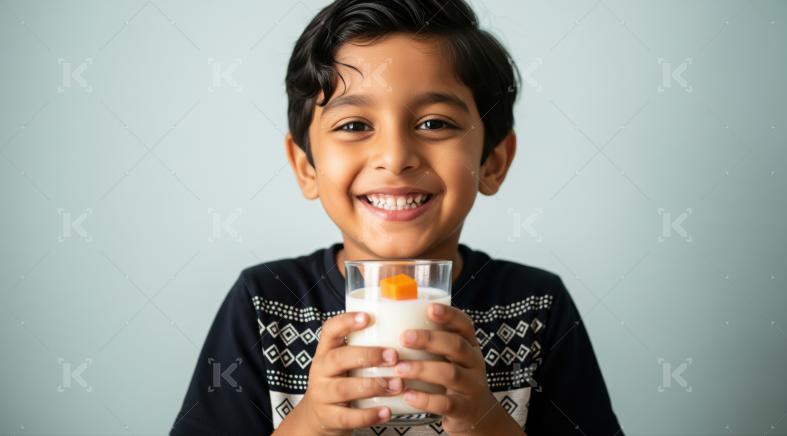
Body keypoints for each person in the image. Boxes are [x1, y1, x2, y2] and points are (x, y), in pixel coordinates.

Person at [171, 1, 623, 434]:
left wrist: (481, 420)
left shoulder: (535, 306)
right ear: (306, 166)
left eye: (434, 123)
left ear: (493, 161)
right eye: (353, 126)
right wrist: (313, 422)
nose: (395, 156)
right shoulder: (264, 304)